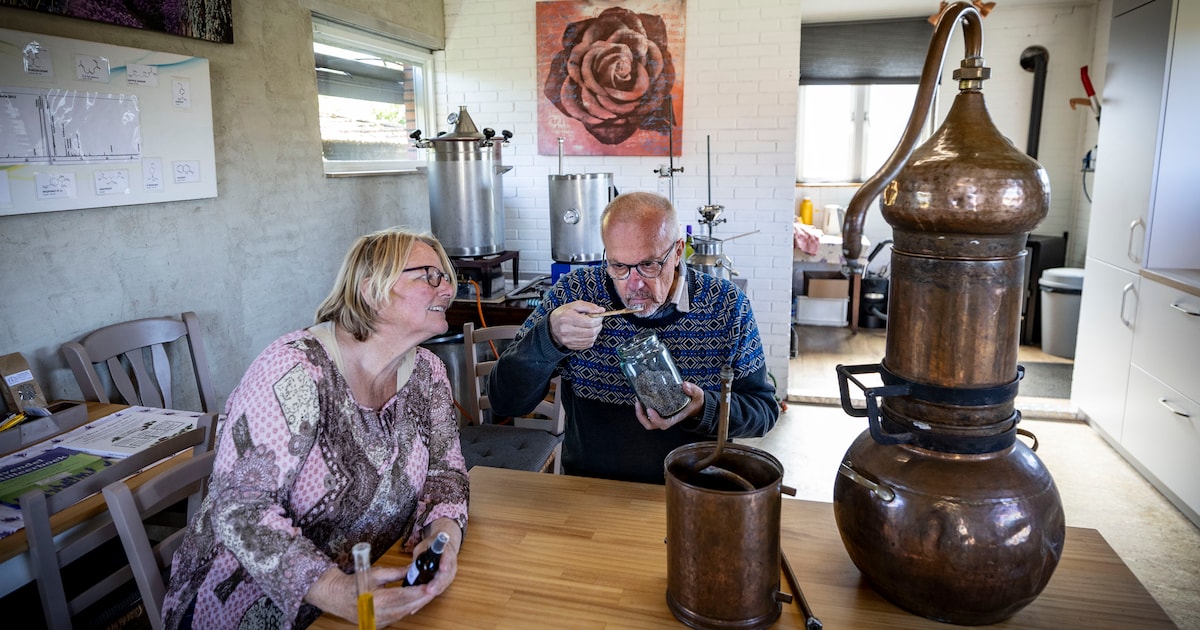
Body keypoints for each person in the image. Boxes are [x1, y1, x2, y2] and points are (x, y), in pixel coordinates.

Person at [162, 228, 470, 629]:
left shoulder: (428, 371)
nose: (447, 288)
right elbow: (240, 509)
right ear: (370, 289)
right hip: (247, 604)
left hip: (370, 587)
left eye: (447, 276)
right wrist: (334, 589)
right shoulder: (295, 372)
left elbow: (446, 471)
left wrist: (442, 534)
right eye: (429, 275)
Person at [487, 192, 778, 484]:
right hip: (591, 490)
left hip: (694, 492)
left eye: (649, 265)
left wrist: (703, 407)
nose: (633, 284)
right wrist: (547, 337)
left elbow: (763, 411)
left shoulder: (726, 305)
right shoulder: (575, 292)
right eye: (619, 266)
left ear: (678, 251)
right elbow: (505, 402)